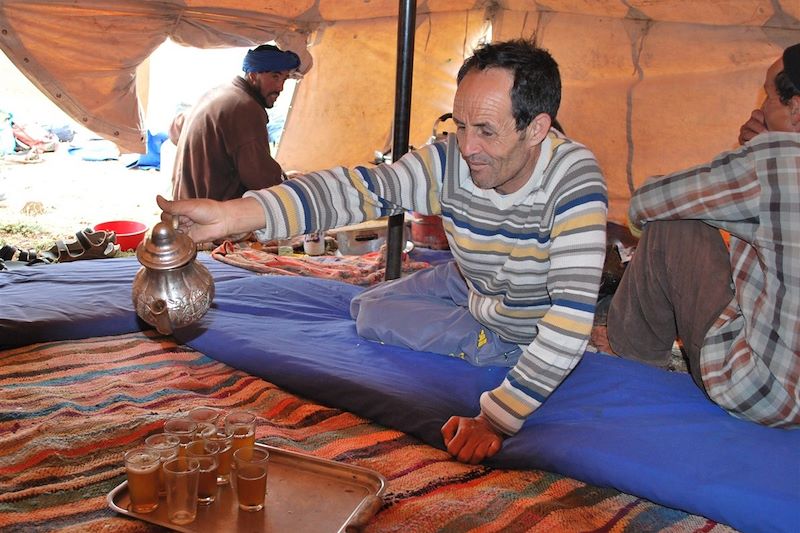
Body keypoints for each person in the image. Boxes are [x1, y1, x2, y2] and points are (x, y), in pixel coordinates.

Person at [158, 39, 608, 463]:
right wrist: (234, 216)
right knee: (370, 304)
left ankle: (503, 345)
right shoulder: (452, 160)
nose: (468, 148)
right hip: (473, 280)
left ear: (537, 130)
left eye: (487, 131)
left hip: (524, 316)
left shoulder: (573, 182)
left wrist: (495, 418)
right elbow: (362, 190)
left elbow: (570, 320)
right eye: (462, 125)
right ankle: (479, 316)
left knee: (378, 320)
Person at [607, 43, 800, 428]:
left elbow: (649, 202)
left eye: (768, 96)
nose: (761, 108)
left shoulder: (774, 160)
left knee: (671, 225)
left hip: (764, 391)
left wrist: (759, 150)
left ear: (796, 107)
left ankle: (634, 361)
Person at [171, 44, 300, 201]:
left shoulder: (219, 92)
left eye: (284, 79)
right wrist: (287, 185)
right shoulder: (246, 109)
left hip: (184, 204)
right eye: (275, 76)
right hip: (211, 215)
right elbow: (261, 180)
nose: (280, 87)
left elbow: (174, 131)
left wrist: (283, 177)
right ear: (253, 75)